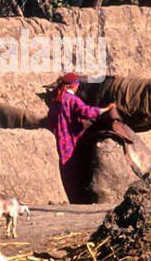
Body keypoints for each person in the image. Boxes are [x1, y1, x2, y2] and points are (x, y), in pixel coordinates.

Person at [44, 71, 118, 201]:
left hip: (54, 136)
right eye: (76, 84)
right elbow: (87, 111)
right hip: (66, 138)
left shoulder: (56, 99)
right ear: (73, 86)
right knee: (70, 167)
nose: (78, 86)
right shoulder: (71, 99)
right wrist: (105, 109)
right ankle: (74, 196)